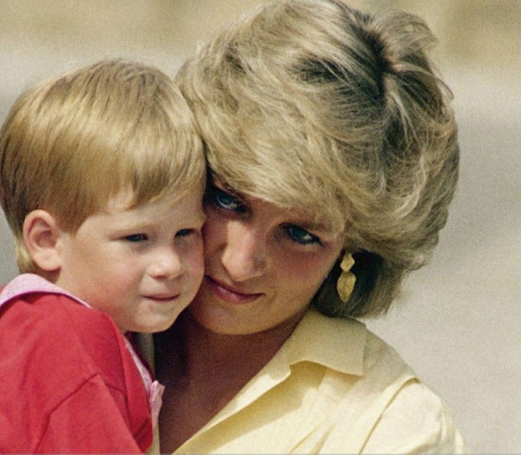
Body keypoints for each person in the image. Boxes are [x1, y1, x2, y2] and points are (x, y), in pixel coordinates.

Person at [150, 0, 465, 452]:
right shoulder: (80, 324)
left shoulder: (390, 427)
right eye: (227, 199)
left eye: (300, 234)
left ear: (354, 246)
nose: (240, 262)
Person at [0, 59, 206, 453]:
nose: (170, 264)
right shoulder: (66, 342)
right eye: (137, 238)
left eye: (186, 233)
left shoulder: (28, 322)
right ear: (46, 241)